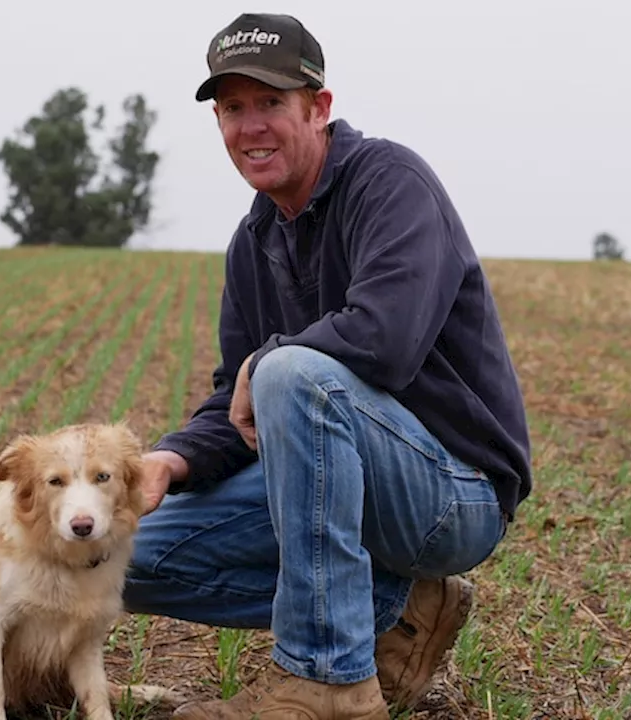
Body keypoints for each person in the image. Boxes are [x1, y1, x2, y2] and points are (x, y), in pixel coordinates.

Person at [122, 12, 533, 719]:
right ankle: (391, 606)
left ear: (319, 107)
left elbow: (388, 340)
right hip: (337, 479)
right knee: (117, 555)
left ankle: (329, 682)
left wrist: (272, 360)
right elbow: (236, 400)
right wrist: (172, 461)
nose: (250, 127)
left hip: (452, 493)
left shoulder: (391, 182)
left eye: (270, 104)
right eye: (232, 108)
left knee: (289, 376)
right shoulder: (253, 241)